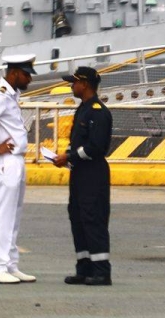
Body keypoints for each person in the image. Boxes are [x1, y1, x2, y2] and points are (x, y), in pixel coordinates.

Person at [0, 53, 37, 285]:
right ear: (14, 73)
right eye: (26, 74)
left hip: (15, 160)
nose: (29, 79)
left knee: (14, 214)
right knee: (4, 215)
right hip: (5, 161)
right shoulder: (0, 93)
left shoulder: (12, 93)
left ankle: (11, 264)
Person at [52, 66, 114, 286]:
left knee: (93, 219)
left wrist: (70, 156)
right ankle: (84, 267)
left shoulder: (98, 111)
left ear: (85, 84)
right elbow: (78, 143)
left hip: (93, 174)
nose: (72, 86)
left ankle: (101, 271)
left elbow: (96, 147)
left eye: (75, 82)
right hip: (79, 173)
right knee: (77, 218)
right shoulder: (83, 109)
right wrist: (67, 158)